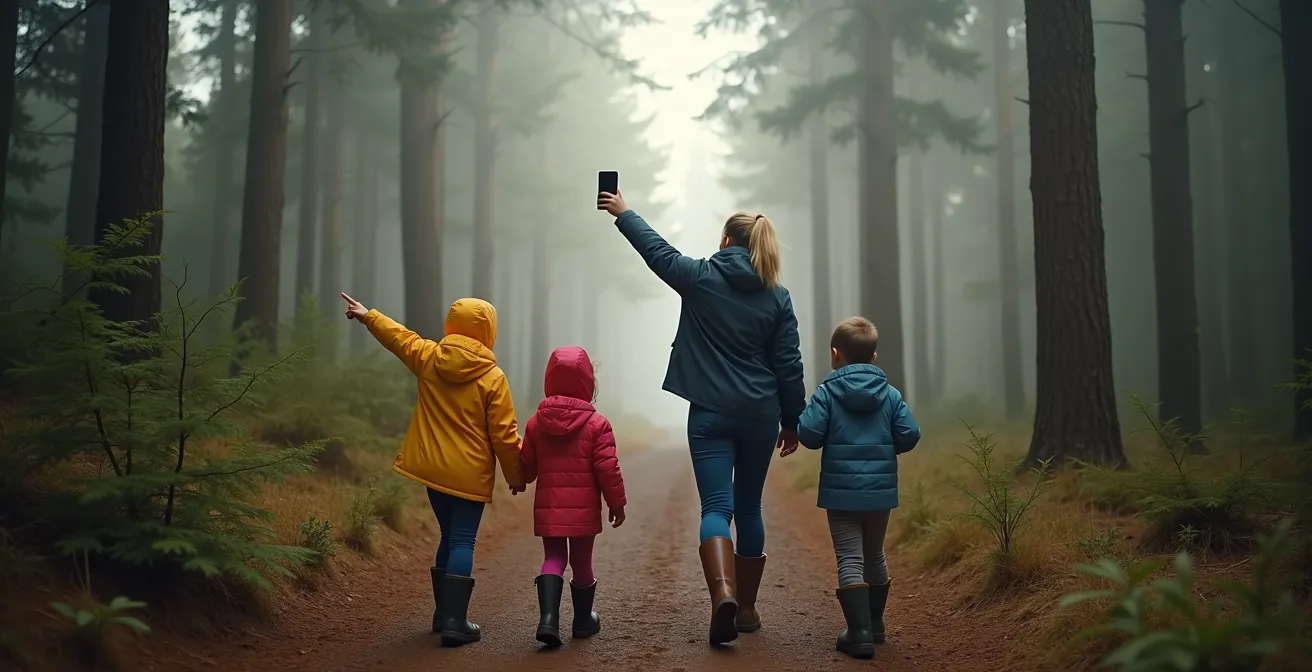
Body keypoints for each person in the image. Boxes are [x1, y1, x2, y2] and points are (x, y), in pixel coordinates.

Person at [596, 191, 805, 647]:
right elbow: (788, 365)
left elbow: (658, 252)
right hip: (759, 417)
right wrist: (793, 421)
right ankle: (747, 609)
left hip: (709, 414)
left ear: (726, 239)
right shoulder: (778, 297)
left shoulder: (701, 277)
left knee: (716, 508)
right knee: (748, 506)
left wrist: (625, 212)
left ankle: (723, 594)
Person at [340, 293, 524, 648]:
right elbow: (504, 435)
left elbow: (400, 338)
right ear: (488, 331)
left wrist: (368, 315)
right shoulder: (493, 378)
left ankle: (443, 615)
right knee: (462, 540)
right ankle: (455, 621)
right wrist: (515, 476)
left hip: (433, 473)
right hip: (469, 476)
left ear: (451, 325)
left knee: (447, 536)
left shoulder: (429, 358)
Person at [795, 317, 921, 659]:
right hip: (880, 492)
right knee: (874, 554)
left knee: (850, 557)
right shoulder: (891, 394)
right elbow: (910, 433)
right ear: (874, 357)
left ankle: (859, 632)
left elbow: (808, 434)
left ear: (835, 354)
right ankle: (876, 624)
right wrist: (886, 446)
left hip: (841, 493)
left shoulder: (826, 392)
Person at [517, 346, 627, 649]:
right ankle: (582, 621)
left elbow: (527, 463)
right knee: (581, 562)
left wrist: (520, 480)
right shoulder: (598, 424)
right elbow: (607, 467)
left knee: (553, 558)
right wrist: (616, 501)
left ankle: (548, 620)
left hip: (550, 510)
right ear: (587, 383)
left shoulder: (535, 423)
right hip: (583, 511)